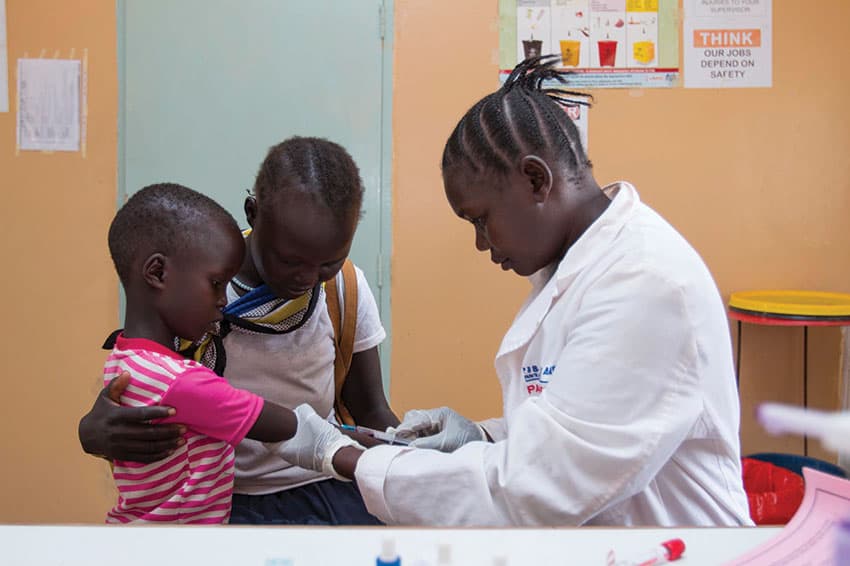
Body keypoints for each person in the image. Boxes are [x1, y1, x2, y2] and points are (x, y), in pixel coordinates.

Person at [282, 56, 754, 527]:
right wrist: (482, 438)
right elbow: (572, 425)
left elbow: (544, 485)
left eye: (481, 219)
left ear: (535, 179)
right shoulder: (580, 271)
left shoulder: (646, 282)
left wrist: (343, 458)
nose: (481, 244)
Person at [79, 138, 398, 525]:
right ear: (253, 213)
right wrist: (91, 432)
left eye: (329, 261)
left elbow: (371, 408)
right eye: (290, 260)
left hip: (325, 486)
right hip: (227, 500)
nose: (308, 278)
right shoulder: (195, 292)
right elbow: (144, 385)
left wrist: (411, 458)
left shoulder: (344, 289)